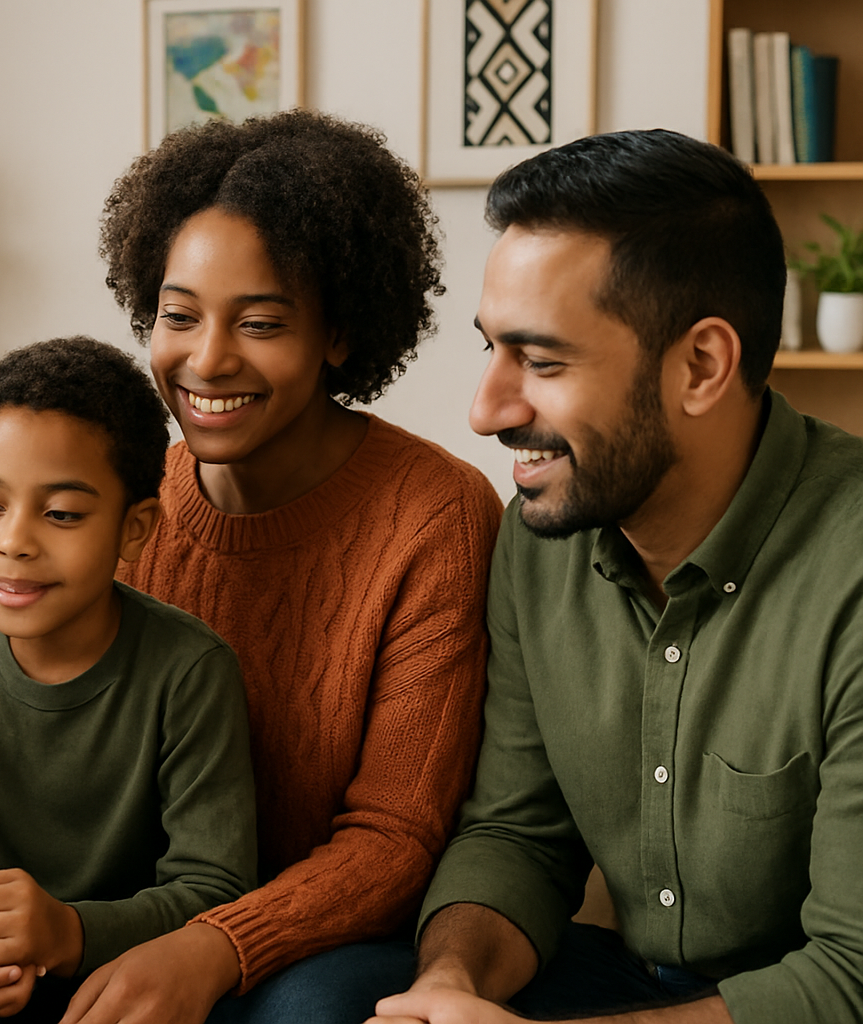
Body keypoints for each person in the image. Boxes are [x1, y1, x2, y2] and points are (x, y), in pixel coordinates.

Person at [370, 129, 863, 1024]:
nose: (486, 409)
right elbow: (516, 834)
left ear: (701, 366)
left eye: (544, 361)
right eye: (492, 349)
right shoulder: (540, 539)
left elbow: (852, 976)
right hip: (620, 980)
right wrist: (448, 988)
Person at [64, 111, 504, 1024]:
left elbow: (395, 837)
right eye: (177, 316)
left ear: (338, 334)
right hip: (135, 914)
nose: (207, 359)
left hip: (332, 939)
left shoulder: (438, 518)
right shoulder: (126, 491)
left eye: (260, 322)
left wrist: (219, 947)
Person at [0, 337, 257, 1024]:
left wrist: (68, 933)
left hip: (131, 970)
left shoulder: (190, 670)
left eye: (61, 513)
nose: (14, 541)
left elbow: (213, 886)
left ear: (135, 528)